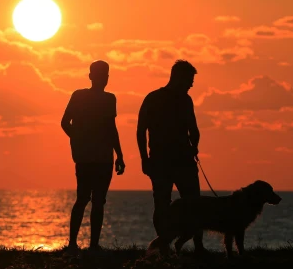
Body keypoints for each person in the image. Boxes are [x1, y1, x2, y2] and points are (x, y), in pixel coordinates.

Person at [137, 59, 205, 254]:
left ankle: (198, 246)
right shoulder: (153, 98)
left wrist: (194, 146)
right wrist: (144, 158)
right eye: (189, 80)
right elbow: (141, 131)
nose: (191, 84)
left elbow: (194, 129)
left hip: (182, 160)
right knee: (163, 203)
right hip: (161, 161)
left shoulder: (185, 100)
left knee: (192, 203)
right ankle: (165, 245)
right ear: (178, 77)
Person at [61, 60, 125, 251]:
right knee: (82, 198)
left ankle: (93, 245)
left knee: (98, 201)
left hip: (104, 158)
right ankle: (72, 243)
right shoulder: (79, 96)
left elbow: (111, 128)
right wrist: (78, 139)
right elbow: (65, 122)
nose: (103, 79)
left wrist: (119, 155)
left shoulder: (109, 99)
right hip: (86, 158)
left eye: (106, 75)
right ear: (90, 76)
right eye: (99, 75)